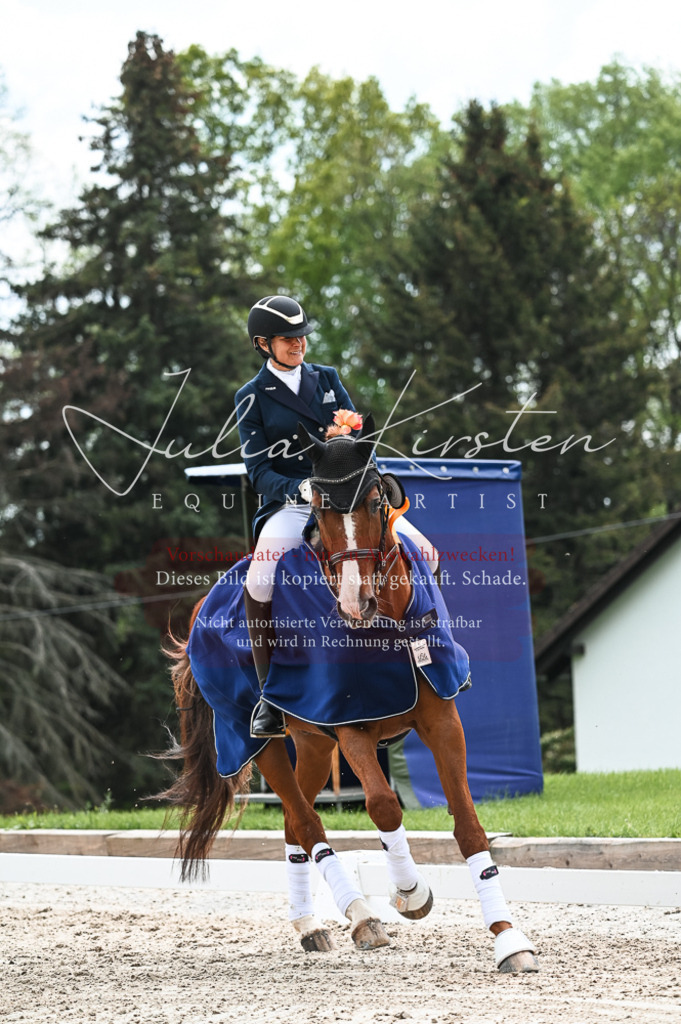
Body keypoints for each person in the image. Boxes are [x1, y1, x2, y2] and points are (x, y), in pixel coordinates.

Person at [235, 294, 437, 738]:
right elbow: (259, 472)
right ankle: (270, 696)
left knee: (426, 551)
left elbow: (362, 446)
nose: (298, 346)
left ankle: (431, 659)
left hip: (351, 496)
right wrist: (299, 487)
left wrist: (357, 447)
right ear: (263, 344)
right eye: (288, 340)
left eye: (302, 337)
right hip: (293, 502)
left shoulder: (327, 379)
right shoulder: (250, 398)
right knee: (260, 579)